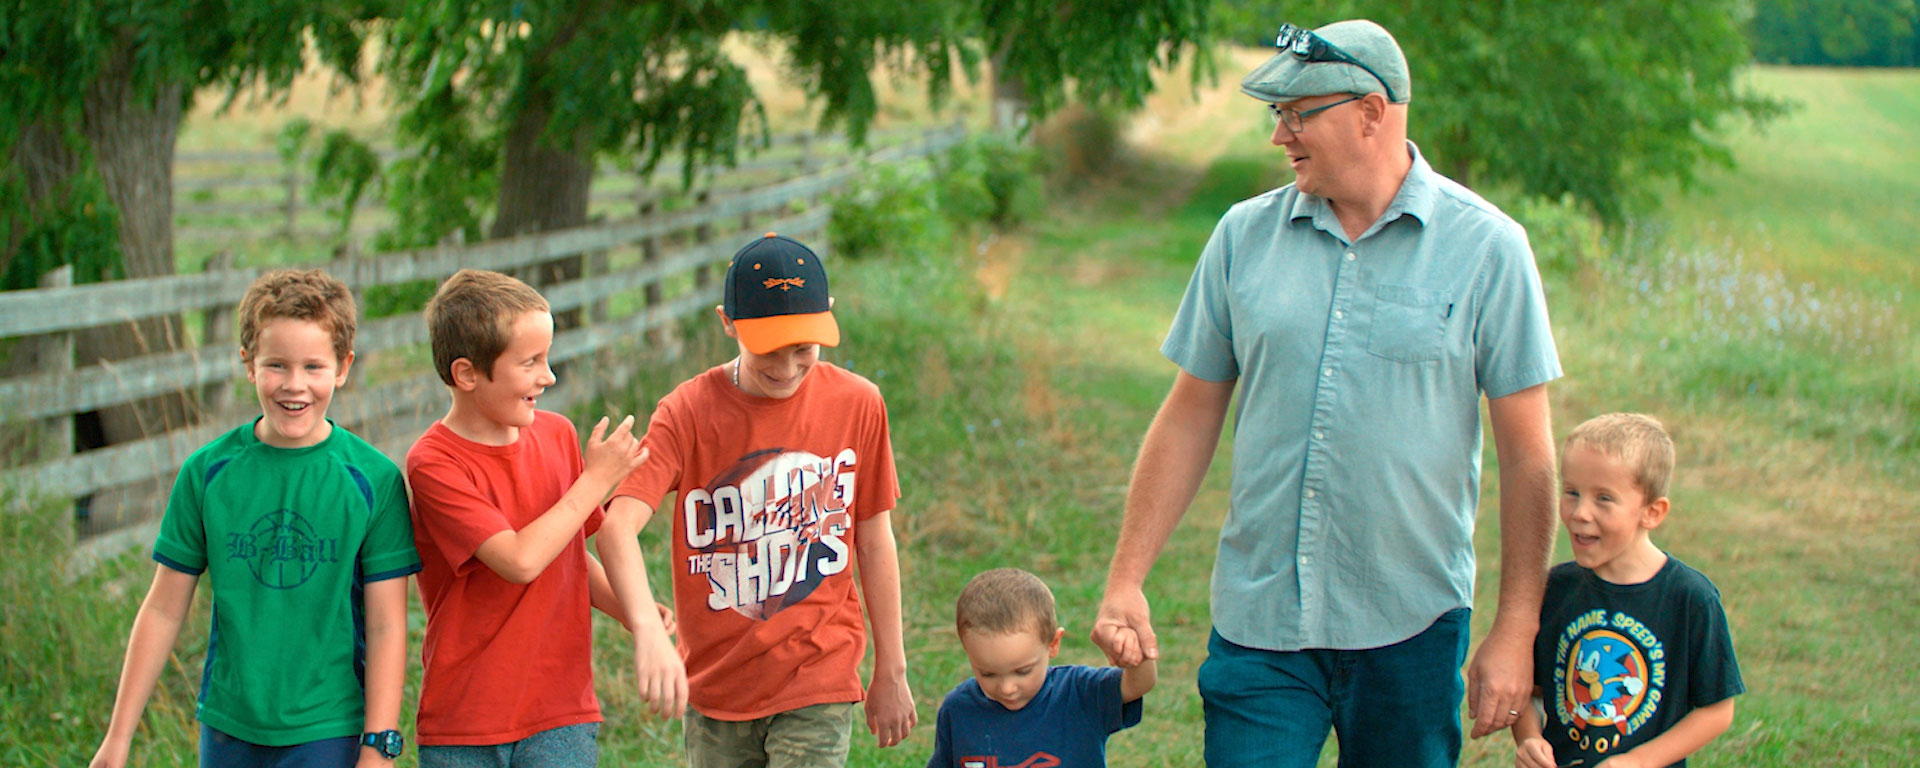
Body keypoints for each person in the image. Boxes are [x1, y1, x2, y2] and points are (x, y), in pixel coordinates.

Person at [1089, 18, 1564, 767]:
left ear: (1372, 112)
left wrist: (1516, 627)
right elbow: (1188, 416)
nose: (1281, 136)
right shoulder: (1243, 237)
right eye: (1278, 115)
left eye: (1298, 113)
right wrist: (1126, 578)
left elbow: (1529, 459)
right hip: (1261, 625)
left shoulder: (1489, 249)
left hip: (1411, 623)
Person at [599, 232, 915, 767]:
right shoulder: (686, 413)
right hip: (718, 688)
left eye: (805, 349)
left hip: (820, 672)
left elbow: (873, 539)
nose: (788, 369)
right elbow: (615, 527)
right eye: (768, 350)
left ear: (827, 318)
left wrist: (892, 667)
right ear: (727, 322)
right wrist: (649, 631)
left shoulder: (858, 403)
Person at [89, 269, 421, 768]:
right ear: (248, 364)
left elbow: (387, 624)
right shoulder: (208, 474)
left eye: (313, 366)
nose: (295, 385)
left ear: (343, 366)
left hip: (329, 727)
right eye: (277, 366)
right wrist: (118, 738)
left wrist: (379, 746)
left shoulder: (373, 480)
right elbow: (162, 609)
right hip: (228, 728)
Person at [405, 269, 654, 767]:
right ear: (467, 374)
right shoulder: (434, 462)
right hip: (467, 718)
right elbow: (520, 559)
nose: (549, 376)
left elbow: (570, 558)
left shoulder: (558, 435)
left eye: (547, 358)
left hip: (560, 708)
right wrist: (596, 480)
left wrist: (634, 612)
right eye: (530, 362)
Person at [1513, 413, 1743, 768]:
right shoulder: (1556, 589)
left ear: (1652, 512)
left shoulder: (1690, 598)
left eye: (1604, 498)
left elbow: (1717, 711)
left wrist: (1639, 761)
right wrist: (1529, 737)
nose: (1580, 512)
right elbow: (1528, 690)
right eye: (1572, 492)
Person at [927, 568, 1154, 768]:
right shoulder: (958, 710)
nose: (1007, 688)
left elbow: (1140, 684)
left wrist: (1136, 652)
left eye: (1023, 671)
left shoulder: (1080, 694)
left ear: (1053, 644)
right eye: (987, 673)